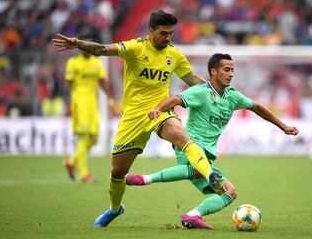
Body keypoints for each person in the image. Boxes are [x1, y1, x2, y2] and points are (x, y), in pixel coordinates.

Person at [52, 10, 223, 227]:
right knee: (117, 171)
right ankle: (115, 209)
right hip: (132, 118)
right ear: (151, 31)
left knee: (180, 135)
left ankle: (210, 175)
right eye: (163, 33)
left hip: (160, 111)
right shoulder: (134, 48)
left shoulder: (174, 55)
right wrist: (78, 43)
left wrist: (216, 92)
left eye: (170, 33)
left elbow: (193, 80)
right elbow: (102, 50)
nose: (168, 38)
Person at [126, 53, 299, 229]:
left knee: (230, 192)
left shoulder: (233, 96)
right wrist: (157, 109)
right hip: (189, 145)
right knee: (198, 170)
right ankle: (144, 179)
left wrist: (283, 126)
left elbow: (258, 108)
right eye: (227, 69)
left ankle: (193, 216)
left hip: (208, 155)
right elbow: (176, 99)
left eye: (232, 70)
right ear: (214, 71)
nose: (231, 73)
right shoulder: (201, 91)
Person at [63, 29, 115, 183]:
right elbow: (68, 85)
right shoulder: (73, 63)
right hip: (79, 103)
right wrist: (67, 105)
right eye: (84, 43)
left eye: (89, 43)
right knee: (83, 137)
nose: (87, 46)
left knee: (94, 138)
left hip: (93, 104)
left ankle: (72, 162)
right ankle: (84, 173)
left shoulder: (96, 62)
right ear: (79, 45)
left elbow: (102, 82)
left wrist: (111, 99)